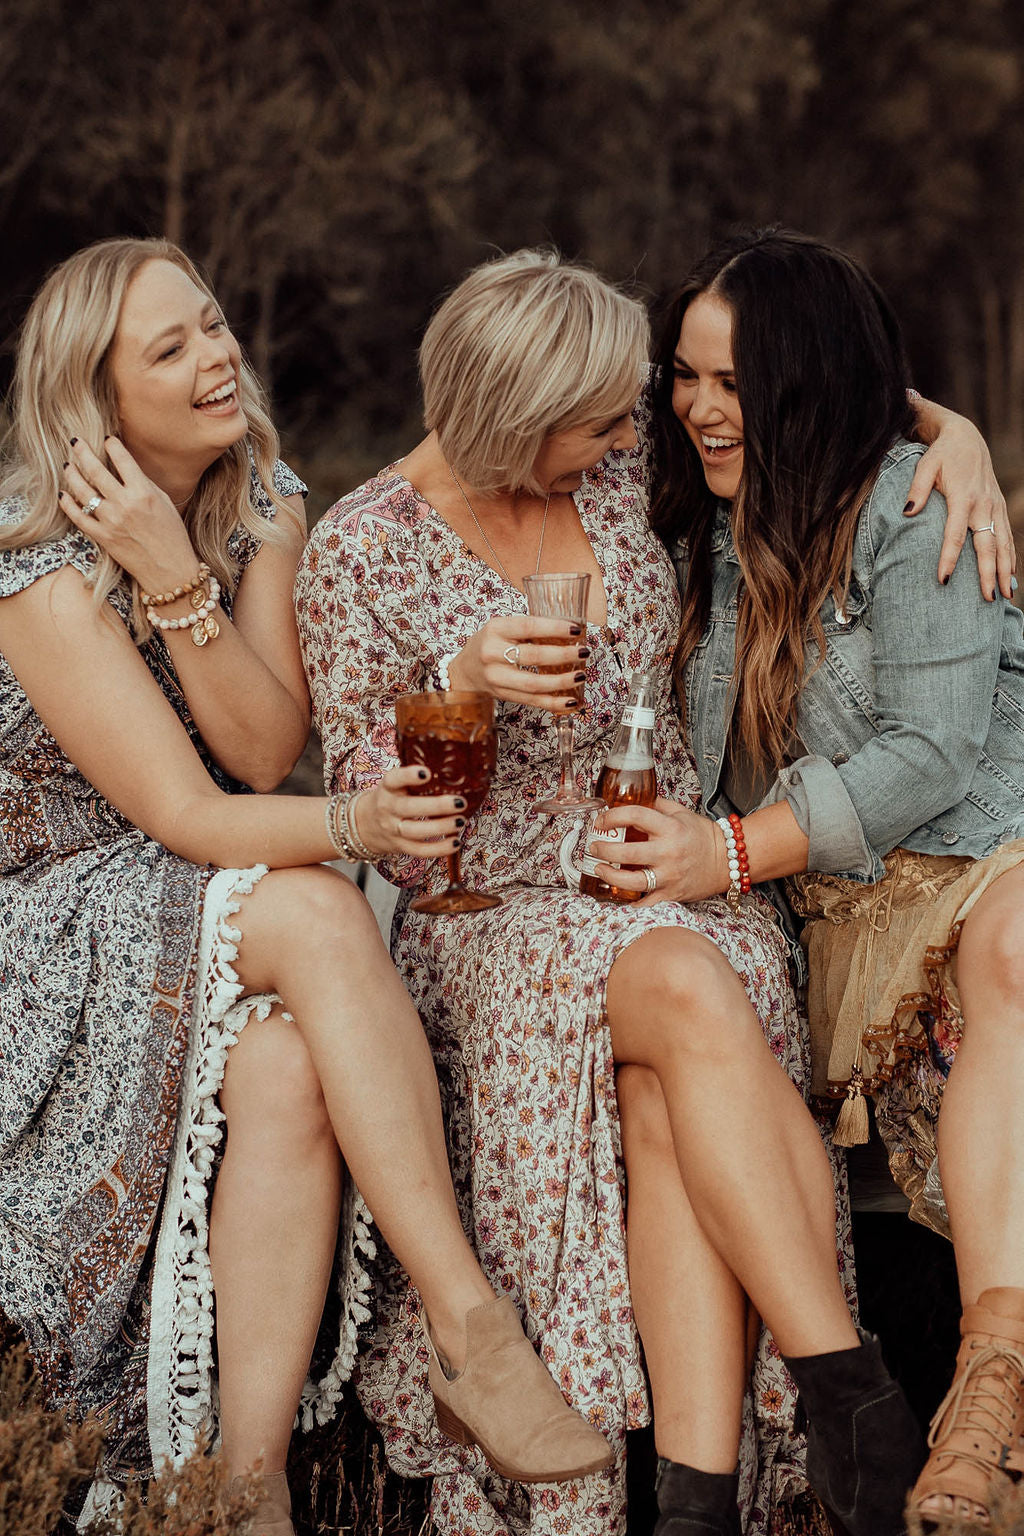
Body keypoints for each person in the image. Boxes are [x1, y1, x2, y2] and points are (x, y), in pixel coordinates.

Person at [295, 249, 1003, 1536]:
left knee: (667, 1067)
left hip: (679, 866)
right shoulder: (361, 550)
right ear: (522, 423)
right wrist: (455, 682)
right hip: (491, 915)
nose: (649, 425)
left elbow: (814, 386)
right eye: (610, 413)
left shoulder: (623, 474)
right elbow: (386, 837)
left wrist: (955, 435)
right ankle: (851, 1391)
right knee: (681, 982)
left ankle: (697, 1503)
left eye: (641, 401)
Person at [0, 238, 612, 1536]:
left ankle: (248, 1482)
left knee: (284, 1067)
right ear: (96, 400)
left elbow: (260, 746)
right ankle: (469, 1328)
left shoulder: (264, 502)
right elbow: (187, 810)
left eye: (212, 326)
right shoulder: (39, 572)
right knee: (323, 900)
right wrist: (349, 818)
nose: (216, 356)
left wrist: (183, 573)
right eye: (168, 349)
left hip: (194, 878)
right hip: (43, 925)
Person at [581, 226, 1024, 1533]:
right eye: (689, 377)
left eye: (733, 383)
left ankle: (990, 1401)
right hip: (813, 908)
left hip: (963, 853)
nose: (700, 406)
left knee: (1013, 950)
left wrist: (722, 850)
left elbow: (934, 756)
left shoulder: (908, 506)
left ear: (803, 390)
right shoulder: (697, 522)